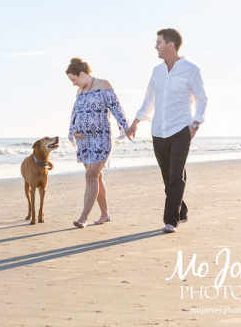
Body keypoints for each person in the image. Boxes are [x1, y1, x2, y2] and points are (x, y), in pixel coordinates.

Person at [126, 28, 208, 233]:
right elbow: (149, 100)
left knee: (176, 176)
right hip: (158, 131)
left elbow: (202, 98)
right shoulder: (157, 71)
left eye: (159, 43)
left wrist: (195, 124)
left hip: (181, 129)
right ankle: (182, 210)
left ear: (170, 45)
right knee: (167, 177)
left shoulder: (191, 70)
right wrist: (136, 122)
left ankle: (171, 220)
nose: (155, 47)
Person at [66, 57, 130, 228]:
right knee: (97, 178)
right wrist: (73, 131)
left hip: (101, 139)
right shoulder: (80, 91)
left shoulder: (103, 85)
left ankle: (83, 218)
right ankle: (105, 214)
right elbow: (75, 113)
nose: (73, 84)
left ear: (82, 74)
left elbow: (116, 108)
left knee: (90, 177)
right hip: (84, 142)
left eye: (74, 80)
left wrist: (126, 127)